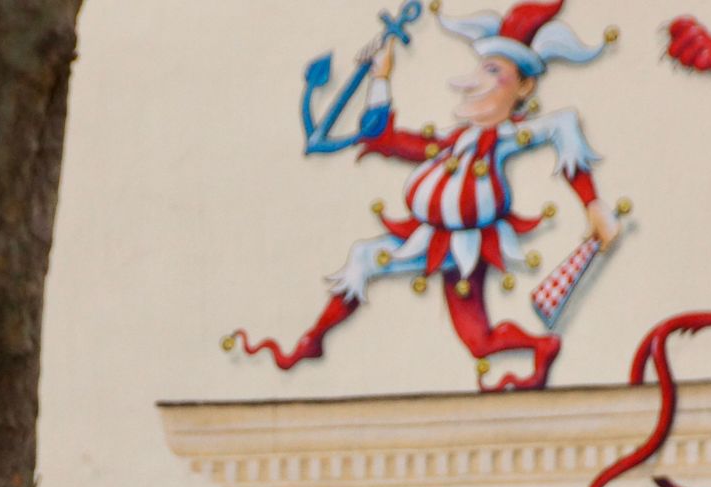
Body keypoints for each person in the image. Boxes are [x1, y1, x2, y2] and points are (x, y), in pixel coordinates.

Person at [233, 2, 618, 391]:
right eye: (482, 68)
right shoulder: (454, 140)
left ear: (524, 87)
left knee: (380, 269)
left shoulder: (506, 136)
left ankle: (312, 341)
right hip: (430, 237)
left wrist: (593, 204)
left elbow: (563, 123)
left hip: (465, 244)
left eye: (495, 72)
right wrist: (381, 78)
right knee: (470, 335)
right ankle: (540, 346)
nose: (479, 81)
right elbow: (384, 138)